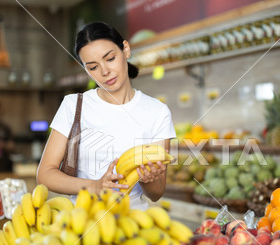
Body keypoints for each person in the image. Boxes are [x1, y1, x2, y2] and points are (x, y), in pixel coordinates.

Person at [37, 22, 176, 209]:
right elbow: (44, 175)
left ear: (125, 49)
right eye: (93, 67)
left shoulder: (157, 112)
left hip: (134, 225)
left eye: (110, 58)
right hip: (82, 222)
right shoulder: (73, 105)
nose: (104, 72)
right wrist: (94, 186)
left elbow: (156, 193)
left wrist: (147, 178)